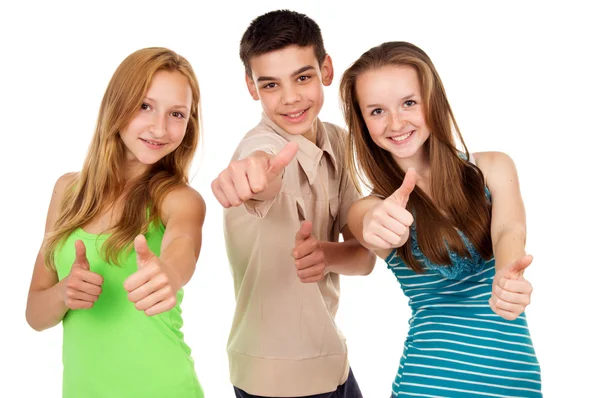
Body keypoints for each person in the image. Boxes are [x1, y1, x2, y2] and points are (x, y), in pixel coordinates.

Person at [340, 41, 542, 397]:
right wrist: (374, 220)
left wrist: (507, 276)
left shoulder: (493, 167)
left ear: (433, 100)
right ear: (362, 121)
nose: (396, 122)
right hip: (428, 384)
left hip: (516, 382)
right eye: (376, 111)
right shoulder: (372, 205)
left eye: (408, 103)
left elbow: (510, 229)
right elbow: (365, 222)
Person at [211, 9, 376, 398]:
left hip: (332, 360)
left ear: (327, 69)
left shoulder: (337, 139)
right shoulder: (259, 149)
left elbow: (363, 257)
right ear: (252, 87)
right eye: (270, 85)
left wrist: (325, 254)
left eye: (302, 77)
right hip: (277, 378)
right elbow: (261, 172)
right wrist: (253, 178)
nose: (290, 99)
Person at [25, 47, 206, 398]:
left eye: (177, 114)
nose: (160, 127)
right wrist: (65, 292)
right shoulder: (67, 191)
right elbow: (35, 315)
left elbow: (183, 245)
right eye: (145, 106)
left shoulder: (179, 199)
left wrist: (169, 273)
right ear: (116, 104)